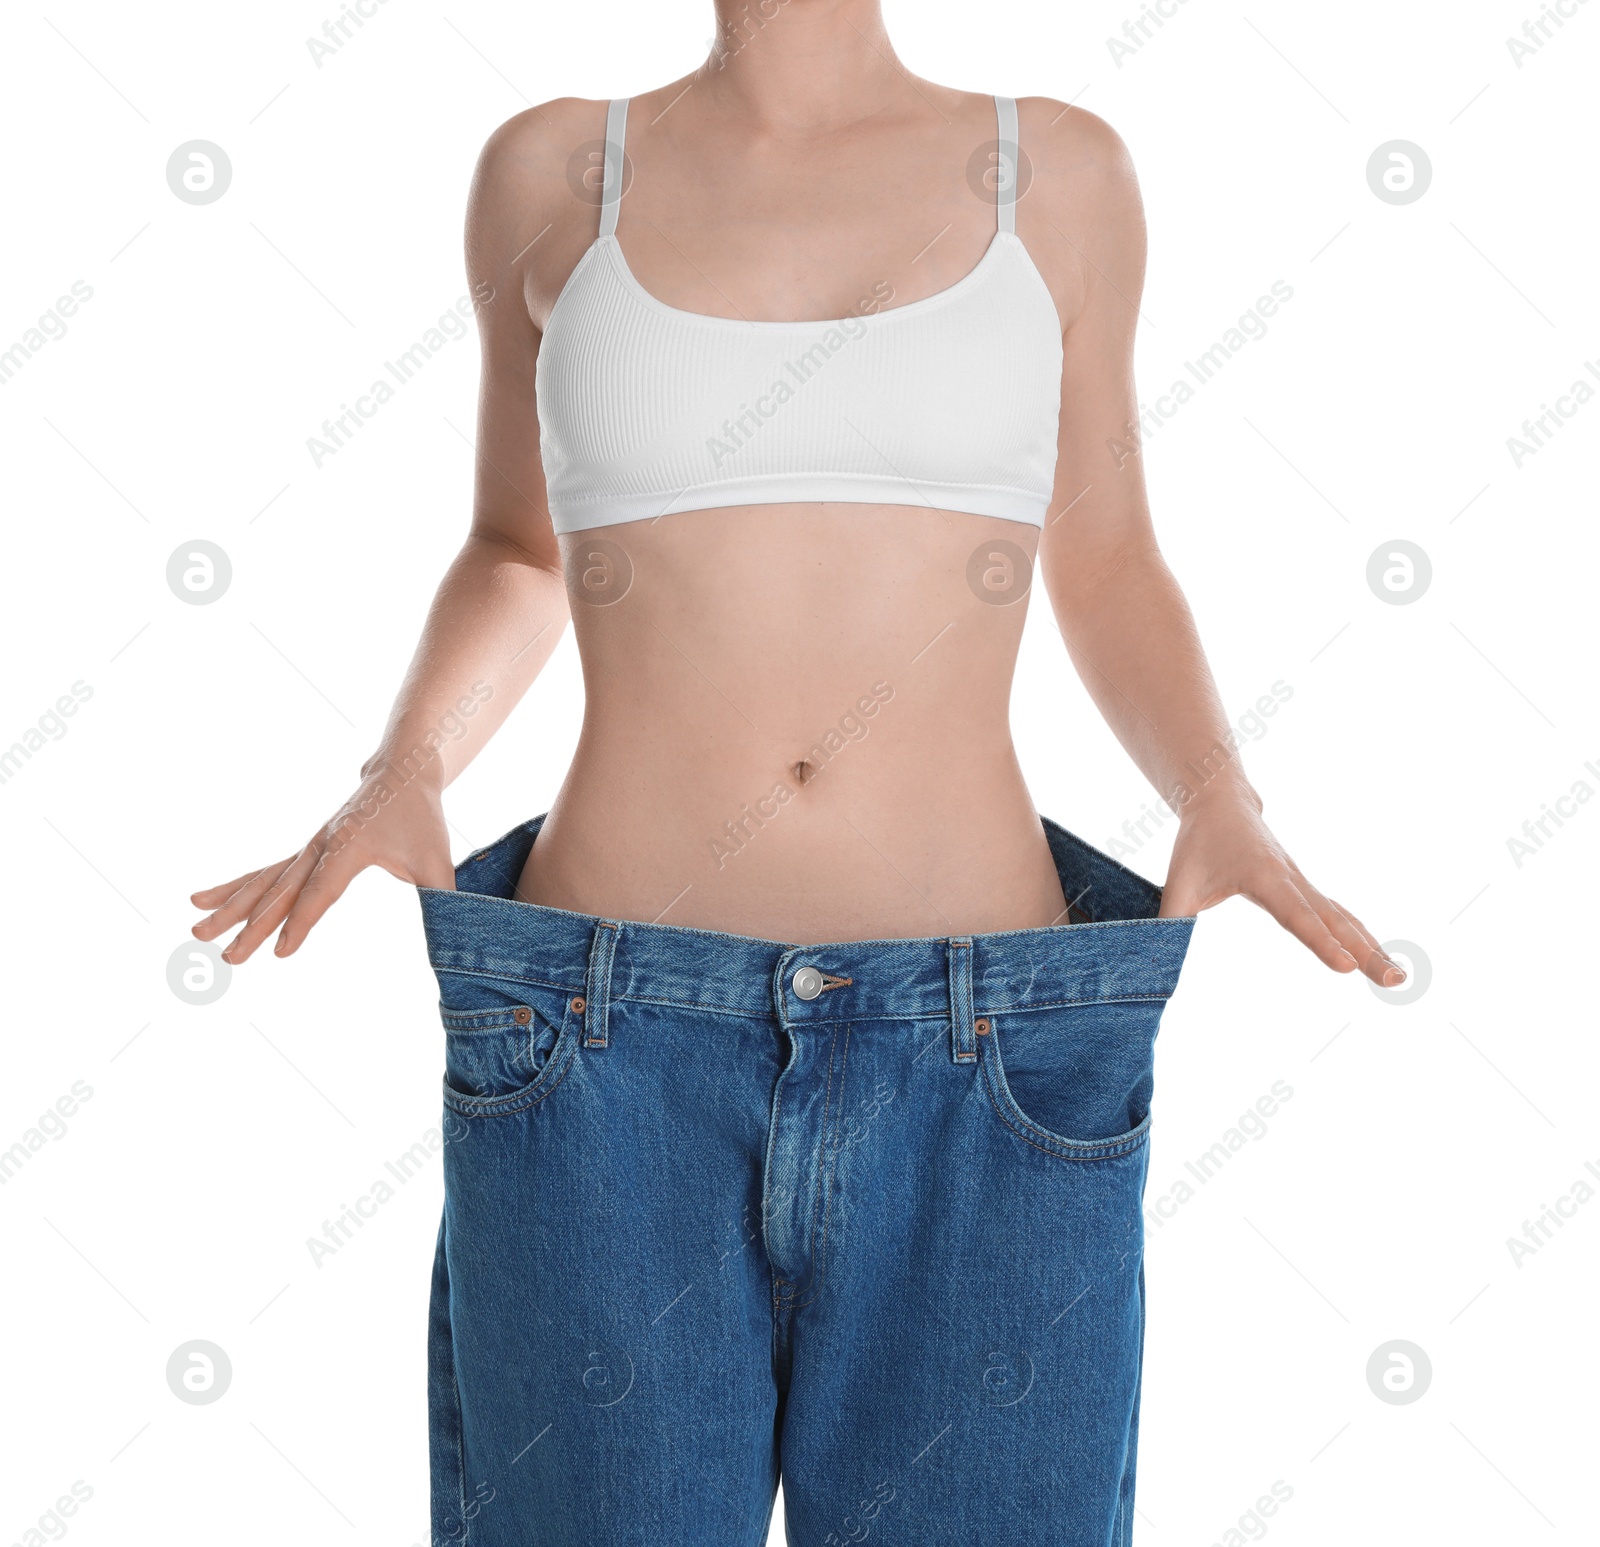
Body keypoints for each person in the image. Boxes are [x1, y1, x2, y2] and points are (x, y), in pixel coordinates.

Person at [192, 3, 1403, 1541]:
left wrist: (1219, 793)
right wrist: (406, 763)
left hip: (989, 1056)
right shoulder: (554, 170)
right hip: (599, 1042)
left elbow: (1105, 557)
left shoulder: (1063, 172)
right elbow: (516, 548)